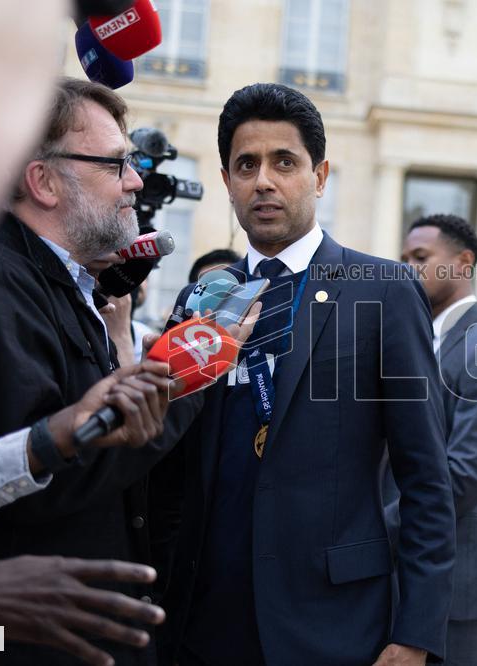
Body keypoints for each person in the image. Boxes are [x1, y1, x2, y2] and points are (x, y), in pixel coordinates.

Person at [0, 79, 221, 666]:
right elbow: (43, 480)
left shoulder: (64, 281)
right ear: (44, 181)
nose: (135, 181)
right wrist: (193, 368)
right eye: (116, 164)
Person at [157, 83, 455, 666]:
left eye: (283, 162)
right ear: (227, 183)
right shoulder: (199, 302)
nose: (263, 180)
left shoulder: (386, 292)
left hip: (336, 625)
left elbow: (426, 478)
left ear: (320, 177)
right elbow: (170, 462)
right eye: (247, 165)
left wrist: (416, 633)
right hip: (205, 623)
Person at [392, 214, 477, 665]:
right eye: (405, 258)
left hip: (453, 569)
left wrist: (373, 526)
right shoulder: (412, 338)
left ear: (463, 262)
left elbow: (467, 475)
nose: (408, 267)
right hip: (396, 564)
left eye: (421, 258)